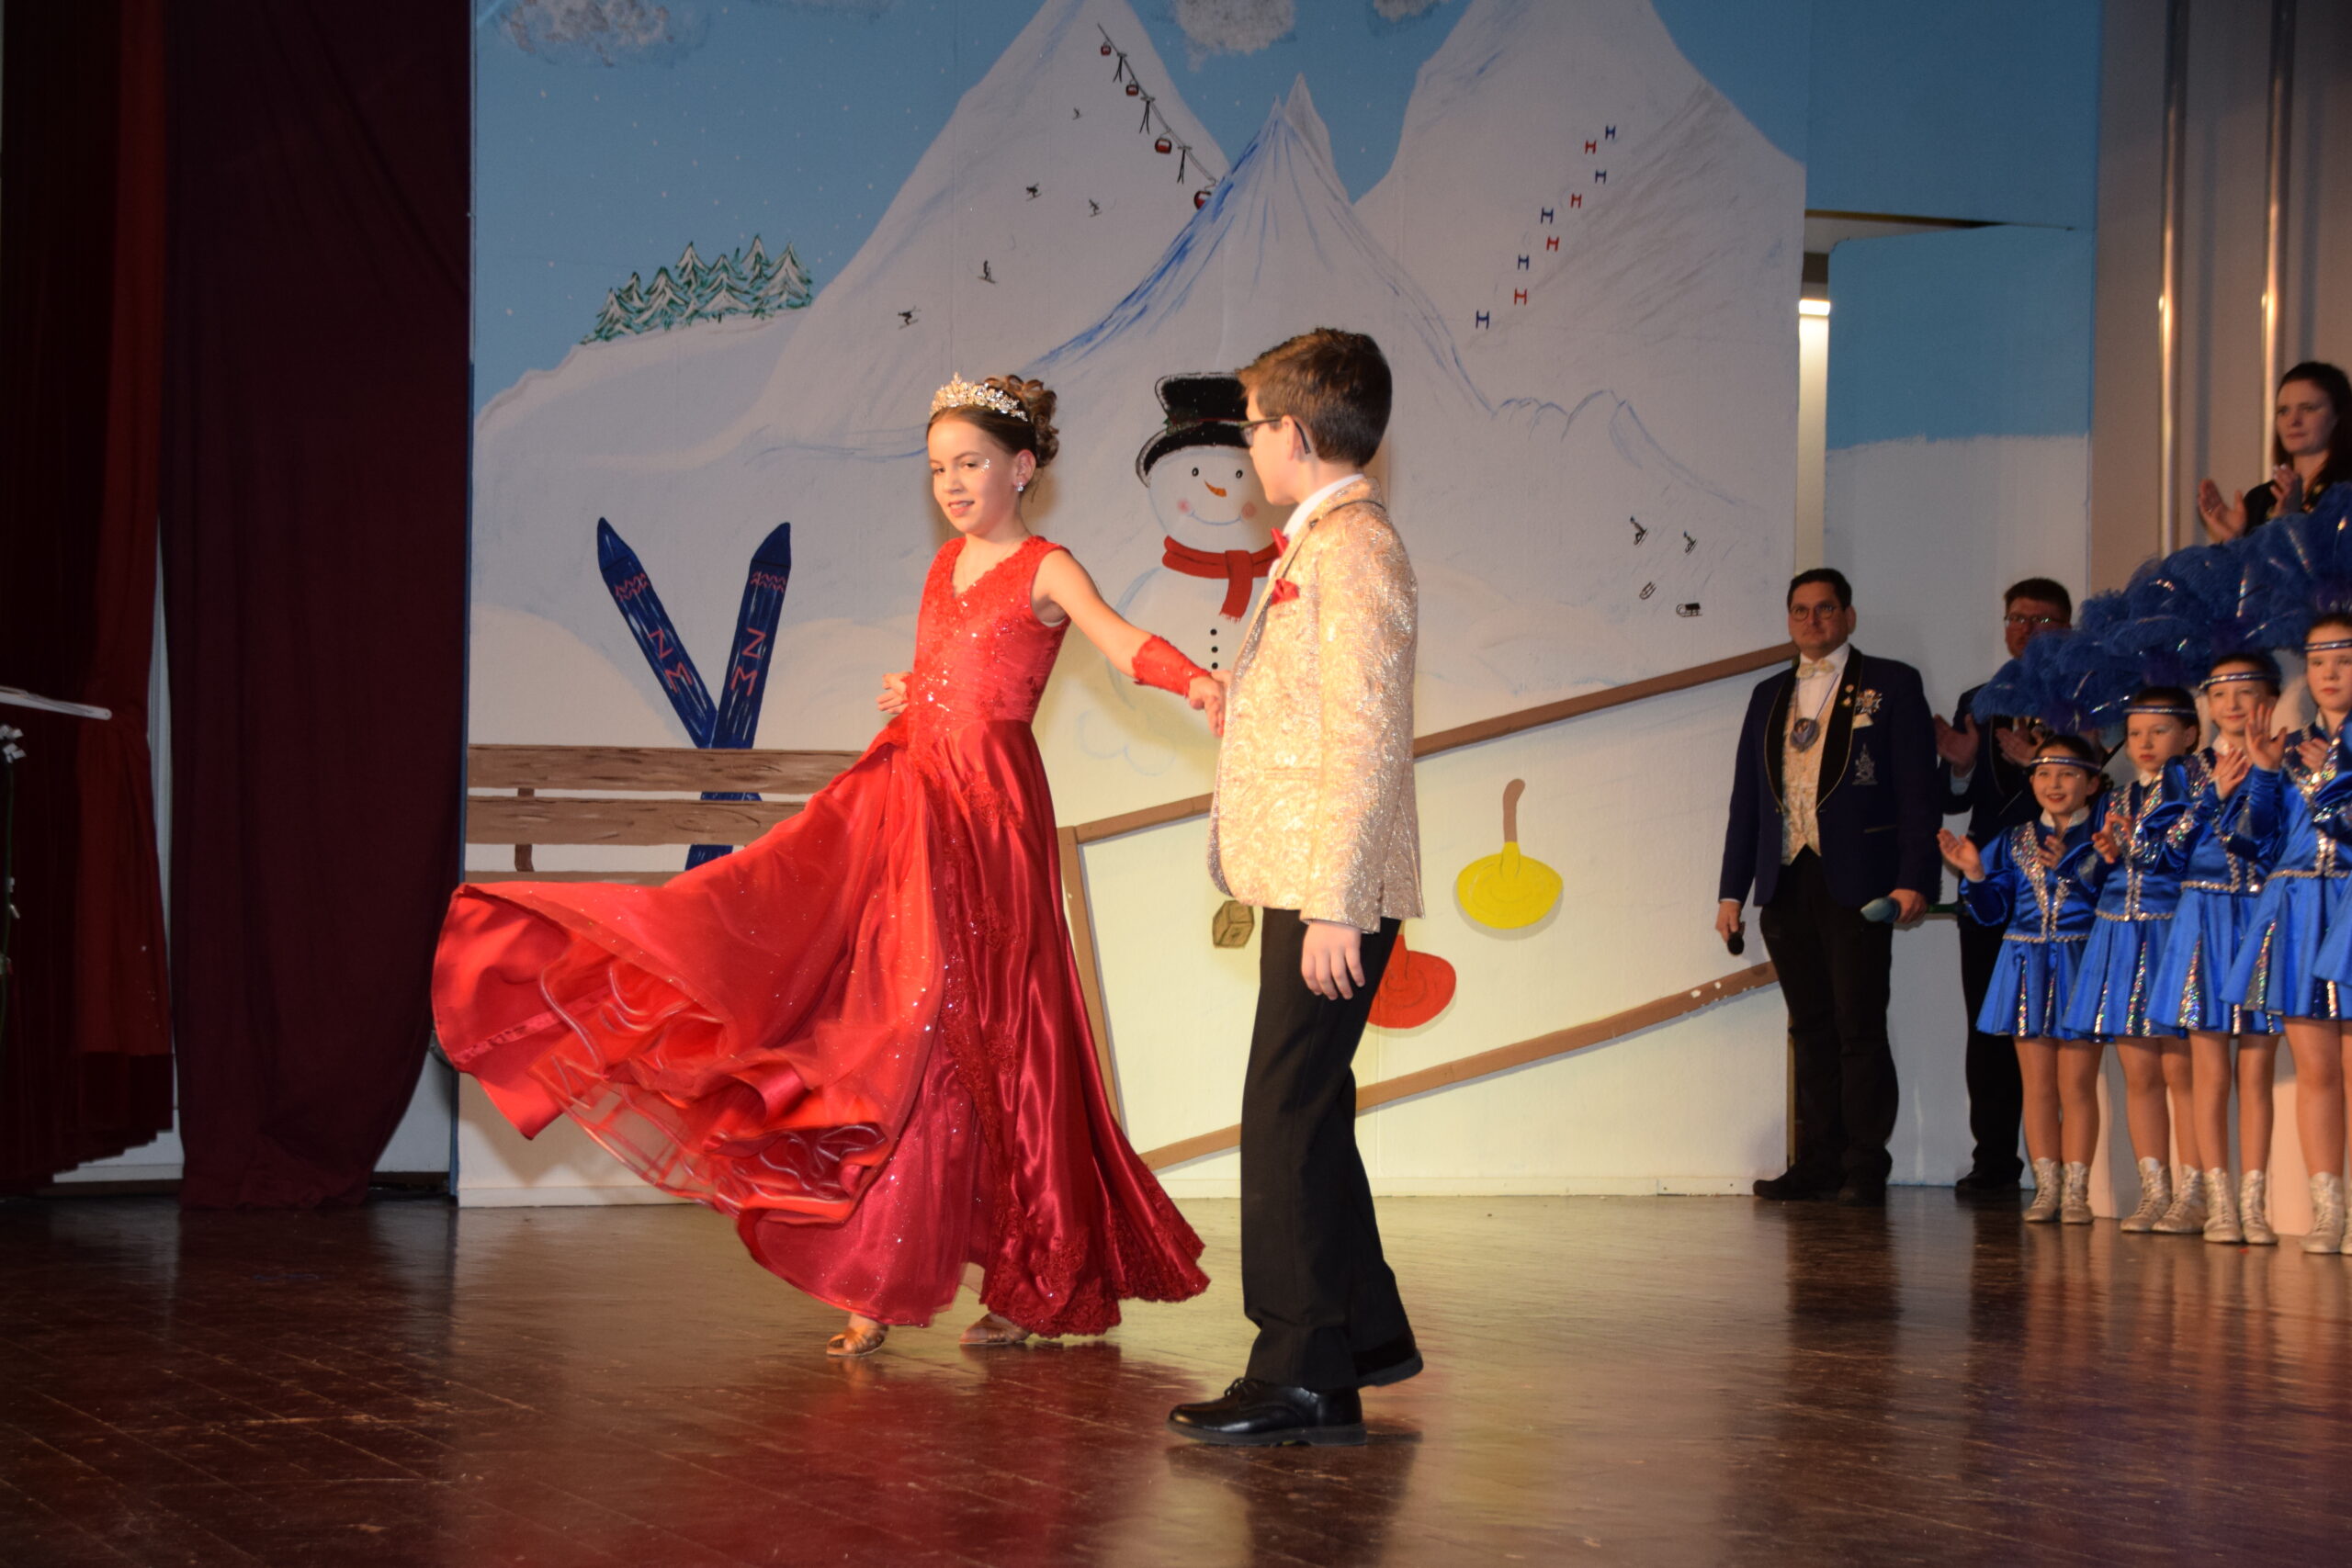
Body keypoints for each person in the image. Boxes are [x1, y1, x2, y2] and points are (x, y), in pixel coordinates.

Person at [430, 373, 1219, 1357]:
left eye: (971, 464)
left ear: (1022, 467)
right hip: (915, 802)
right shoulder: (946, 566)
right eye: (938, 469)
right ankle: (875, 1281)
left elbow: (1119, 642)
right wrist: (919, 687)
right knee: (902, 1024)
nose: (952, 484)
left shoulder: (1047, 567)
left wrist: (1195, 681)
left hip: (991, 814)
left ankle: (1036, 1278)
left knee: (1007, 1035)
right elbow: (956, 671)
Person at [1167, 329, 1421, 1448]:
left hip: (1331, 886)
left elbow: (1367, 736)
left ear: (1298, 433)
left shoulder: (1354, 549)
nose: (1247, 443)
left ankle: (1300, 1372)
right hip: (1316, 876)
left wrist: (1335, 903)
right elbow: (1321, 713)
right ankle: (1355, 1343)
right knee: (1308, 1113)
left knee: (1282, 1116)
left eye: (1254, 424)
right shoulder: (1325, 542)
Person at [1717, 570, 1939, 1207]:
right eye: (1800, 610)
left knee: (1858, 1023)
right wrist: (1731, 892)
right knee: (1809, 1026)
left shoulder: (1892, 683)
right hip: (1785, 877)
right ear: (1789, 619)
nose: (1812, 621)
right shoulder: (1767, 694)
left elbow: (1918, 791)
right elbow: (1746, 800)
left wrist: (1914, 878)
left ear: (1848, 616)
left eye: (1824, 608)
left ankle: (1865, 1161)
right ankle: (1817, 1158)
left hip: (1859, 878)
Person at [1935, 578, 2075, 1194]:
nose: (2025, 630)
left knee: (2059, 1028)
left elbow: (2101, 779)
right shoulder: (1981, 698)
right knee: (1989, 1024)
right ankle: (1994, 1159)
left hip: (2064, 881)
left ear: (2066, 628)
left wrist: (2037, 763)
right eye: (2016, 619)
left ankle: (2068, 1168)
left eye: (2040, 620)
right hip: (1989, 877)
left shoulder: (2085, 694)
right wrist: (1961, 766)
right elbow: (1954, 798)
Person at [1939, 735, 2107, 1224]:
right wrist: (1975, 874)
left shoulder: (2103, 838)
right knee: (2037, 1087)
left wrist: (2083, 867)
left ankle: (2076, 1192)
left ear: (2092, 783)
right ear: (2031, 781)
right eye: (2044, 774)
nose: (2054, 784)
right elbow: (1992, 913)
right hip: (2025, 965)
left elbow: (2112, 900)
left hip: (2079, 963)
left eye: (2068, 774)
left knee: (2077, 1085)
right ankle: (2047, 1188)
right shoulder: (2013, 840)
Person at [2224, 612, 2352, 1254]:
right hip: (2297, 909)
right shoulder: (2289, 744)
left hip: (2349, 904)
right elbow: (2254, 843)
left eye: (2344, 660)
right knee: (2316, 1068)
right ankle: (2330, 1213)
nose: (2329, 673)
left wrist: (2333, 779)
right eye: (2319, 661)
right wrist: (2266, 774)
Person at [2147, 656, 2282, 1244]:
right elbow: (2164, 855)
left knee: (2256, 1070)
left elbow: (2269, 843)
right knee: (2209, 1072)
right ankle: (2218, 1202)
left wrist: (2264, 776)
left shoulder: (2284, 758)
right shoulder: (2185, 771)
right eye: (2220, 694)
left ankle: (2254, 1205)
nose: (2231, 704)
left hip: (2259, 916)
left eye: (2245, 692)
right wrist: (2211, 798)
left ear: (2268, 700)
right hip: (2201, 917)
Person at [2062, 688, 2203, 1233]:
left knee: (2181, 1071)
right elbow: (2098, 874)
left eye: (2159, 731)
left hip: (2169, 932)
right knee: (2139, 1073)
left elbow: (2183, 857)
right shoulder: (2117, 797)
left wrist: (2134, 849)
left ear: (2189, 735)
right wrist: (2100, 859)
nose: (2144, 743)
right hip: (2118, 935)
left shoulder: (2196, 789)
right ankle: (2154, 1191)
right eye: (2136, 732)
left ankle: (2195, 1192)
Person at [2196, 361, 2348, 540]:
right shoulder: (2260, 500)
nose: (2293, 421)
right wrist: (2234, 540)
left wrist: (2290, 521)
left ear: (2338, 416)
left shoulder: (2346, 493)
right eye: (2283, 411)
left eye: (2308, 409)